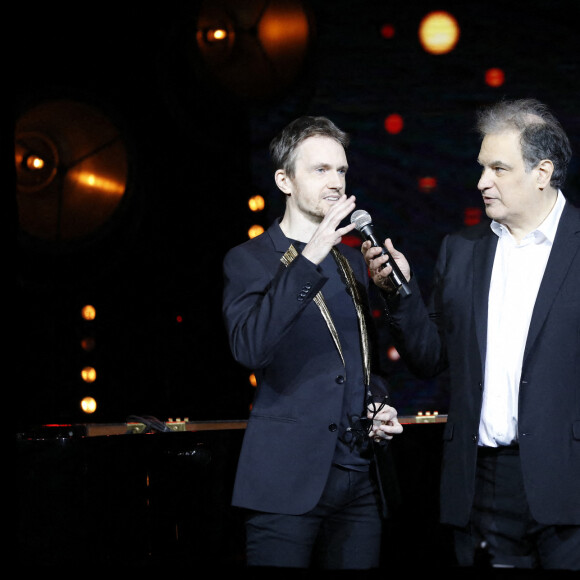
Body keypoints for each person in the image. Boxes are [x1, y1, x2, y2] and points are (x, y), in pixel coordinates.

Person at [362, 98, 580, 570]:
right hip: (483, 485)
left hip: (570, 482)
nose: (482, 182)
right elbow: (429, 357)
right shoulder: (461, 250)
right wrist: (400, 294)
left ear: (542, 172)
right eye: (482, 168)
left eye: (499, 168)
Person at [222, 116, 403, 569]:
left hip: (357, 475)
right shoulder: (251, 259)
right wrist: (312, 253)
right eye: (320, 170)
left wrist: (377, 403)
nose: (336, 183)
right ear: (285, 179)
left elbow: (362, 363)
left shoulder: (352, 263)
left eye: (341, 171)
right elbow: (249, 347)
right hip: (287, 477)